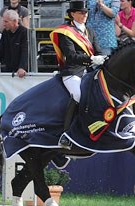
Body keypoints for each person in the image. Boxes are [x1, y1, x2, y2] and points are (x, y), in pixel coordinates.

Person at [49, 0, 105, 149]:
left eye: (86, 12)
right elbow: (71, 56)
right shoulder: (65, 32)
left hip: (91, 71)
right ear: (72, 14)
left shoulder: (90, 31)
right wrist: (91, 59)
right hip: (73, 71)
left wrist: (101, 58)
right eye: (81, 12)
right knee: (78, 96)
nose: (84, 15)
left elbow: (98, 50)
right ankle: (67, 135)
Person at [0, 10, 28, 78]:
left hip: (23, 72)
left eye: (6, 21)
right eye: (3, 21)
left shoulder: (24, 32)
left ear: (15, 21)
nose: (4, 24)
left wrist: (22, 67)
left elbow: (25, 51)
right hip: (9, 69)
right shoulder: (5, 32)